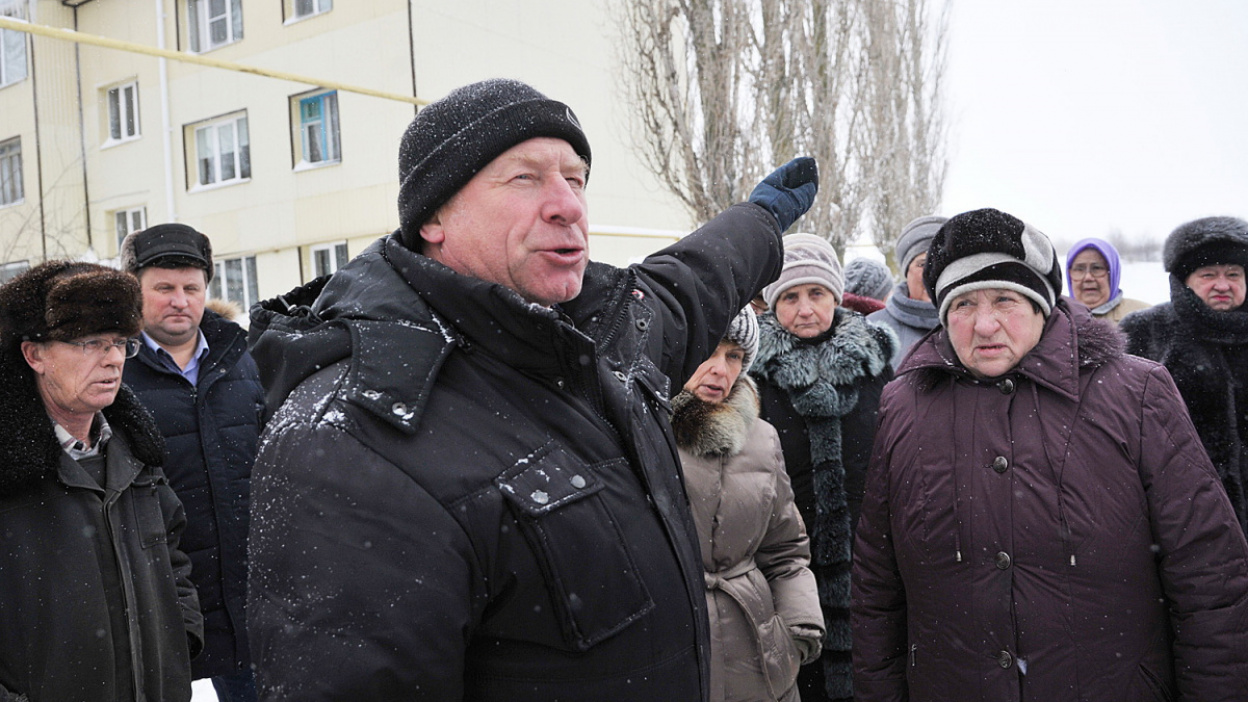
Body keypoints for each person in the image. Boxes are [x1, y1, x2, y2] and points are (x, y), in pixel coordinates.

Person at [244, 78, 819, 701]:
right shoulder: (353, 437)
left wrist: (759, 221)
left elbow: (689, 282)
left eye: (575, 180)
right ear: (433, 216)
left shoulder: (597, 337)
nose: (567, 205)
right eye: (525, 178)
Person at [853, 208, 1248, 701]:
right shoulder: (905, 405)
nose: (984, 324)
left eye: (1005, 299)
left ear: (1043, 306)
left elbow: (1210, 575)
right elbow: (877, 586)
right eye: (963, 304)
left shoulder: (1136, 393)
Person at [0, 261, 203, 702]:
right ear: (34, 354)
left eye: (119, 343)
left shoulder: (136, 452)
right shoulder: (9, 471)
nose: (112, 358)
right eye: (90, 343)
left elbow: (173, 556)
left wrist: (179, 640)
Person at [120, 224, 266, 702]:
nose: (179, 300)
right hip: (158, 597)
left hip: (246, 596)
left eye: (191, 288)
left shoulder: (244, 356)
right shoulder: (110, 371)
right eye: (163, 288)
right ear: (133, 290)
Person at [750, 233, 896, 702]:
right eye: (790, 296)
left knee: (869, 674)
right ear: (771, 304)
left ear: (835, 294)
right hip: (785, 565)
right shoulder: (751, 373)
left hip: (870, 560)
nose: (805, 309)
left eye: (816, 293)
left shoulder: (875, 365)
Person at [672, 306, 825, 702]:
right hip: (667, 651)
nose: (721, 370)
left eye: (734, 356)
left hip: (759, 658)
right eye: (708, 350)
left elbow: (787, 550)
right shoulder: (634, 430)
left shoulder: (761, 437)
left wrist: (797, 627)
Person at [1121, 216, 1248, 534]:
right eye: (1208, 274)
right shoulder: (1145, 331)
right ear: (1185, 280)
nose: (1222, 285)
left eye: (1233, 274)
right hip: (1182, 522)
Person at [868, 215, 945, 369]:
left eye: (941, 262)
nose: (932, 273)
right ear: (906, 272)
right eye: (923, 264)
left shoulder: (975, 325)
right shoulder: (874, 329)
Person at [1064, 237, 1149, 323]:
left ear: (1113, 273)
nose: (1088, 277)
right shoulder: (1056, 320)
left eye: (1097, 268)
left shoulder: (1143, 317)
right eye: (1079, 269)